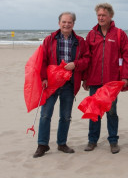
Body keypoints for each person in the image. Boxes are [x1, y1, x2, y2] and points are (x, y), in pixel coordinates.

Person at [33, 12, 90, 158]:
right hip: (51, 84)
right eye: (64, 22)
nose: (66, 24)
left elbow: (86, 59)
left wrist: (75, 65)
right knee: (45, 115)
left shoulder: (80, 41)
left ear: (73, 24)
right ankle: (42, 145)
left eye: (69, 22)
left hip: (69, 84)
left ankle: (62, 143)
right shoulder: (49, 39)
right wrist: (44, 78)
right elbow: (43, 60)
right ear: (59, 23)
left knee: (65, 116)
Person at [82, 3, 128, 154]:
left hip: (112, 81)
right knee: (94, 111)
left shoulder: (119, 34)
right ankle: (92, 140)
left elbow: (127, 56)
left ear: (110, 16)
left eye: (104, 15)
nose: (101, 18)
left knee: (111, 112)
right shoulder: (91, 34)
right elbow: (86, 58)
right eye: (99, 15)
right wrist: (85, 78)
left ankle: (113, 141)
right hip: (95, 80)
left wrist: (125, 77)